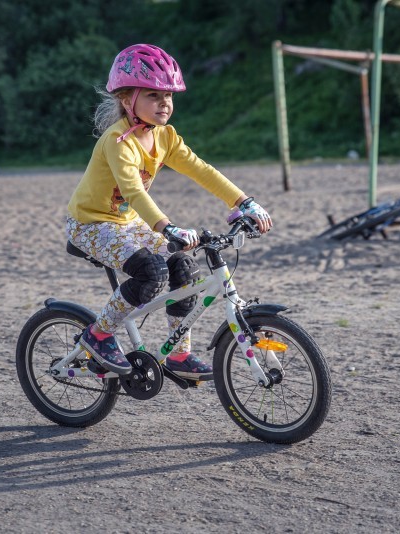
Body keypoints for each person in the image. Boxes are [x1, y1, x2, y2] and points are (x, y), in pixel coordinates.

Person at [66, 44, 272, 381]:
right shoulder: (118, 141)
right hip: (90, 224)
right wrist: (168, 227)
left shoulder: (166, 137)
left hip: (127, 224)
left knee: (182, 265)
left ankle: (179, 356)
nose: (165, 103)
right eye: (153, 95)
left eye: (169, 96)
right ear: (126, 100)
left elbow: (201, 169)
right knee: (151, 272)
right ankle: (99, 335)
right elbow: (132, 190)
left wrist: (243, 201)